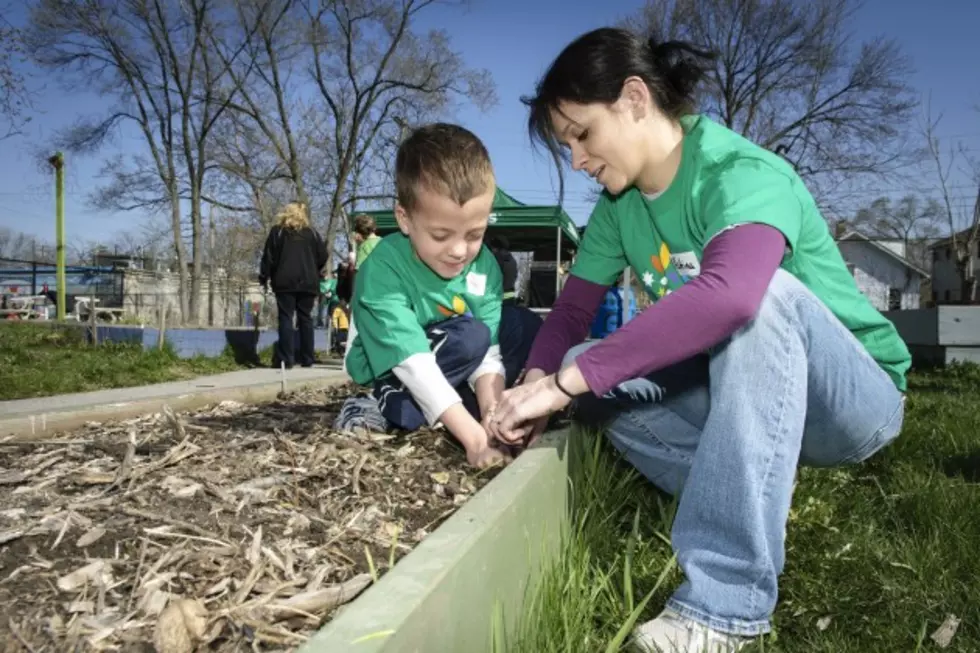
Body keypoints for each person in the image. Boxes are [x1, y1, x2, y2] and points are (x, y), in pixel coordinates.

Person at [486, 27, 910, 653]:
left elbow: (734, 295)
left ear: (634, 99)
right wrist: (532, 384)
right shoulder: (617, 208)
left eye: (581, 134)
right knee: (580, 361)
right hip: (740, 390)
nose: (575, 158)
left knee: (758, 301)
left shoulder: (739, 172)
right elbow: (573, 312)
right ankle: (750, 497)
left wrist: (565, 384)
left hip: (851, 401)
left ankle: (723, 609)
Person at [343, 122, 539, 468]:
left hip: (455, 353)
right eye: (440, 235)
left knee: (523, 325)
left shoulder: (485, 267)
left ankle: (435, 409)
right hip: (390, 367)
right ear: (404, 219)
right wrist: (476, 440)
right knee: (469, 337)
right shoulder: (383, 270)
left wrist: (492, 419)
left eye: (475, 234)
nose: (460, 251)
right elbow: (413, 361)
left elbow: (489, 354)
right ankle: (376, 401)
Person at [259, 201, 328, 369]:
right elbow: (323, 255)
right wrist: (314, 269)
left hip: (284, 280)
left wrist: (264, 276)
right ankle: (307, 358)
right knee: (306, 318)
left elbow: (269, 256)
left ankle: (286, 359)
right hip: (308, 281)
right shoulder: (311, 233)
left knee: (286, 317)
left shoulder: (278, 232)